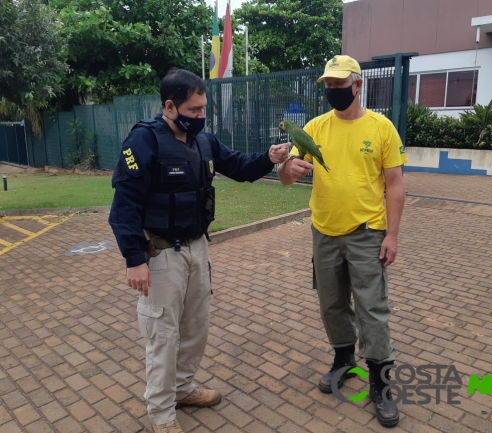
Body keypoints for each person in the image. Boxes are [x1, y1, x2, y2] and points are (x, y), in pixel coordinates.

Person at [109, 68, 290, 433]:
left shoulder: (203, 141)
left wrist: (269, 158)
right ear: (170, 106)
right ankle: (161, 413)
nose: (200, 116)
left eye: (204, 109)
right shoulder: (145, 142)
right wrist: (134, 260)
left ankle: (183, 389)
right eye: (193, 110)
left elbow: (239, 166)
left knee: (195, 328)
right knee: (163, 335)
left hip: (197, 249)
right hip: (160, 255)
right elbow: (124, 205)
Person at [278, 55, 407, 428]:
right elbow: (287, 179)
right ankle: (343, 360)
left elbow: (396, 186)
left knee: (372, 308)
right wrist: (287, 168)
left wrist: (393, 236)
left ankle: (380, 384)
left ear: (358, 84)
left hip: (368, 232)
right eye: (329, 85)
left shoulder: (382, 128)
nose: (333, 90)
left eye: (340, 84)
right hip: (324, 231)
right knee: (331, 305)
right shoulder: (314, 128)